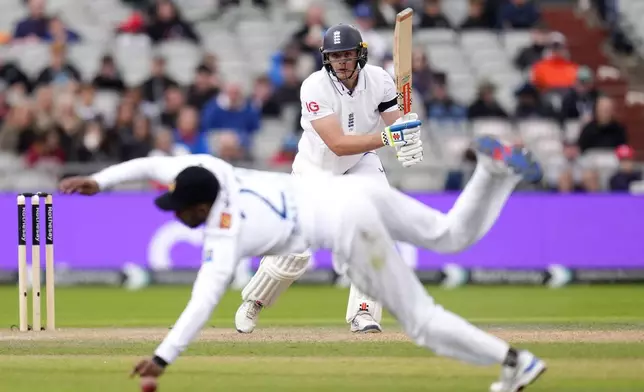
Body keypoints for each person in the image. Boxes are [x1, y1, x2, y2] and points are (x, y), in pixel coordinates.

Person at [59, 135, 546, 392]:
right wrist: (100, 181)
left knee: (420, 321)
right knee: (449, 235)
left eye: (182, 211)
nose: (178, 216)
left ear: (202, 208)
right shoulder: (208, 169)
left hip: (348, 226)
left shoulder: (225, 235)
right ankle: (492, 171)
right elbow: (149, 165)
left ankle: (516, 362)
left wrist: (164, 356)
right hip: (358, 188)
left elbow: (203, 300)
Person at [234, 23, 425, 335]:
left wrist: (407, 132)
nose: (342, 62)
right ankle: (255, 301)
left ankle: (363, 312)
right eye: (336, 57)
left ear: (360, 54)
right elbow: (337, 143)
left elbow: (396, 124)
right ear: (326, 58)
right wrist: (390, 138)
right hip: (316, 170)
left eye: (348, 55)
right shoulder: (313, 87)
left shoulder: (379, 80)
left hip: (360, 163)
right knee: (295, 252)